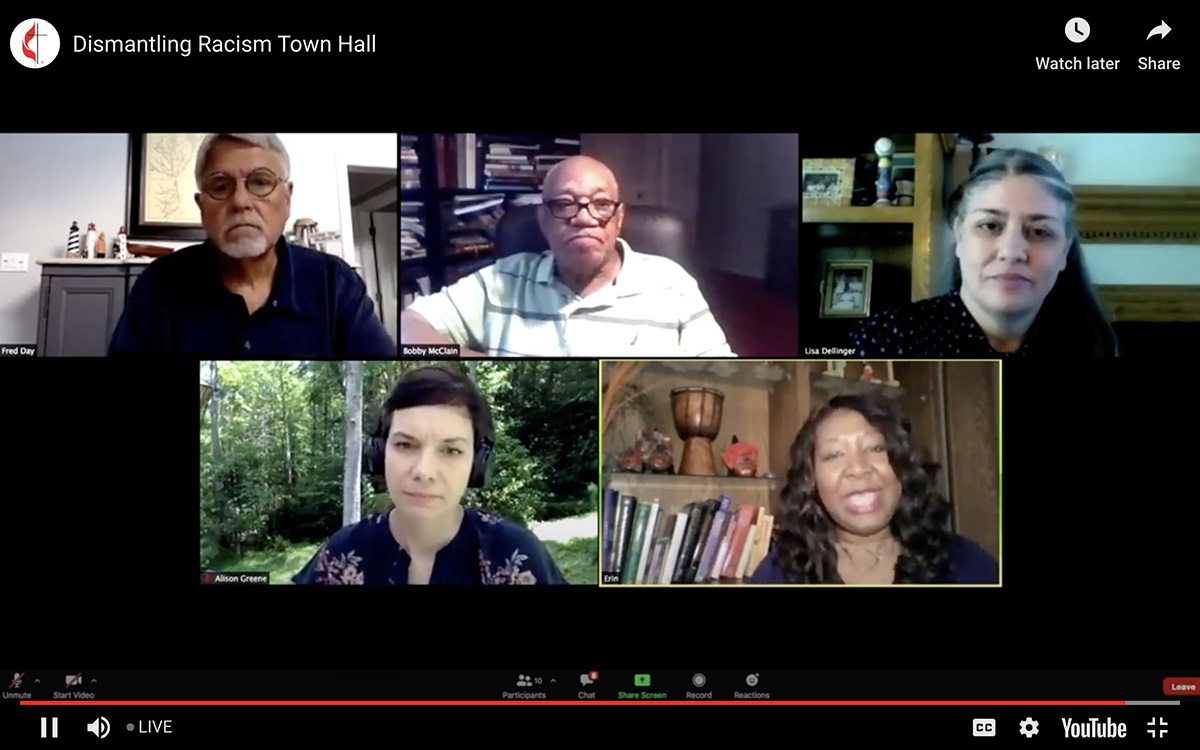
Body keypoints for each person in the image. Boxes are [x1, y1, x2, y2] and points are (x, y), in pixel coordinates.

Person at [400, 155, 734, 356]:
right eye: (564, 204)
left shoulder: (671, 284)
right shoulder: (502, 279)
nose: (584, 217)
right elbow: (409, 327)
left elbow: (722, 370)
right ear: (543, 221)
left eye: (601, 204)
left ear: (618, 220)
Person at [108, 133, 396, 357]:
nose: (241, 202)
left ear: (287, 197)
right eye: (221, 186)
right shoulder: (158, 286)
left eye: (260, 183)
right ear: (202, 206)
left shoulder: (336, 283)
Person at [292, 366, 568, 585]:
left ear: (477, 463)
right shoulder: (342, 553)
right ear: (379, 453)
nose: (424, 471)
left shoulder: (515, 553)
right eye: (405, 445)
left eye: (451, 450)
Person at [849, 148, 1119, 357]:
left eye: (1039, 232)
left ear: (1064, 251)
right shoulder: (888, 340)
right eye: (990, 226)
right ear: (959, 234)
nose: (1012, 252)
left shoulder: (1093, 344)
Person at [748, 393, 998, 585]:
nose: (858, 468)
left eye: (876, 448)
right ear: (811, 481)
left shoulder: (967, 564)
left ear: (902, 466)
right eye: (834, 455)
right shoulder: (777, 573)